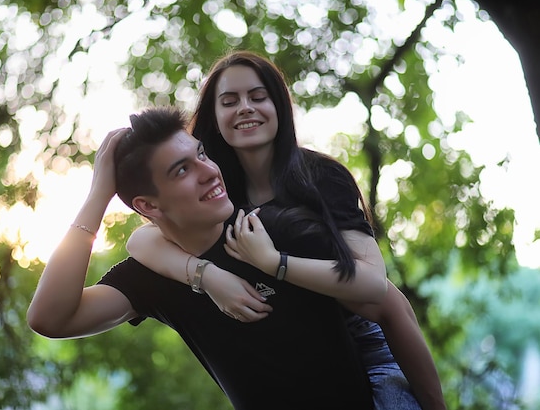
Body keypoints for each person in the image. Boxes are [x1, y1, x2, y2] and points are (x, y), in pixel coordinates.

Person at [126, 51, 447, 410]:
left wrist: (274, 262)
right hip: (297, 350)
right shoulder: (216, 189)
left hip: (363, 339)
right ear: (214, 119)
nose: (245, 107)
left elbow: (375, 286)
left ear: (279, 106)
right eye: (229, 101)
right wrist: (208, 276)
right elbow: (140, 239)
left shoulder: (321, 177)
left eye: (258, 97)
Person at [27, 106, 375, 409]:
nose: (209, 171)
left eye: (203, 154)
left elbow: (386, 304)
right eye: (182, 170)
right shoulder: (152, 277)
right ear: (148, 206)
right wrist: (97, 196)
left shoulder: (271, 230)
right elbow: (50, 319)